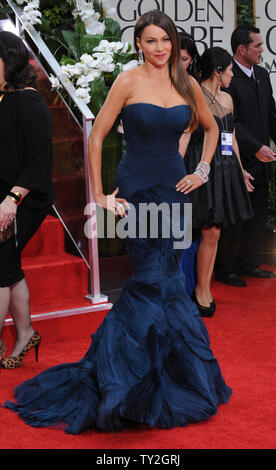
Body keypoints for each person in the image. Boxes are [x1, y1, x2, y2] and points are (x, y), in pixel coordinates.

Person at [2, 11, 231, 434]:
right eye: (150, 41)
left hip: (174, 191)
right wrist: (100, 195)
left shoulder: (186, 83)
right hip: (135, 191)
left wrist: (201, 170)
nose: (159, 48)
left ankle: (165, 377)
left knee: (168, 281)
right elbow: (96, 135)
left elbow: (212, 127)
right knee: (149, 278)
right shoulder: (127, 81)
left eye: (165, 40)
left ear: (173, 44)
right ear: (138, 45)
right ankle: (127, 382)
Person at [181, 47, 254, 317]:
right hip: (197, 167)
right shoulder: (193, 94)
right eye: (230, 70)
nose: (233, 75)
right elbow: (186, 134)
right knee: (194, 230)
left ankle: (203, 288)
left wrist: (241, 170)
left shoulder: (227, 98)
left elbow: (230, 137)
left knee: (214, 232)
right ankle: (188, 289)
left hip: (224, 170)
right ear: (218, 70)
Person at [0, 32, 55, 368]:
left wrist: (9, 201)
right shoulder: (3, 98)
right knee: (8, 268)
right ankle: (25, 333)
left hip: (24, 198)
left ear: (10, 61)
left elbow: (38, 162)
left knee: (0, 266)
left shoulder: (30, 102)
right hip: (3, 195)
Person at [215, 25, 276, 287]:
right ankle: (225, 269)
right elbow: (231, 123)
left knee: (258, 216)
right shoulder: (229, 79)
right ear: (242, 49)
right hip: (239, 159)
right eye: (258, 46)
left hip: (264, 161)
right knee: (236, 218)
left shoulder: (262, 74)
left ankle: (249, 264)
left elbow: (271, 115)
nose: (262, 50)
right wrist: (255, 147)